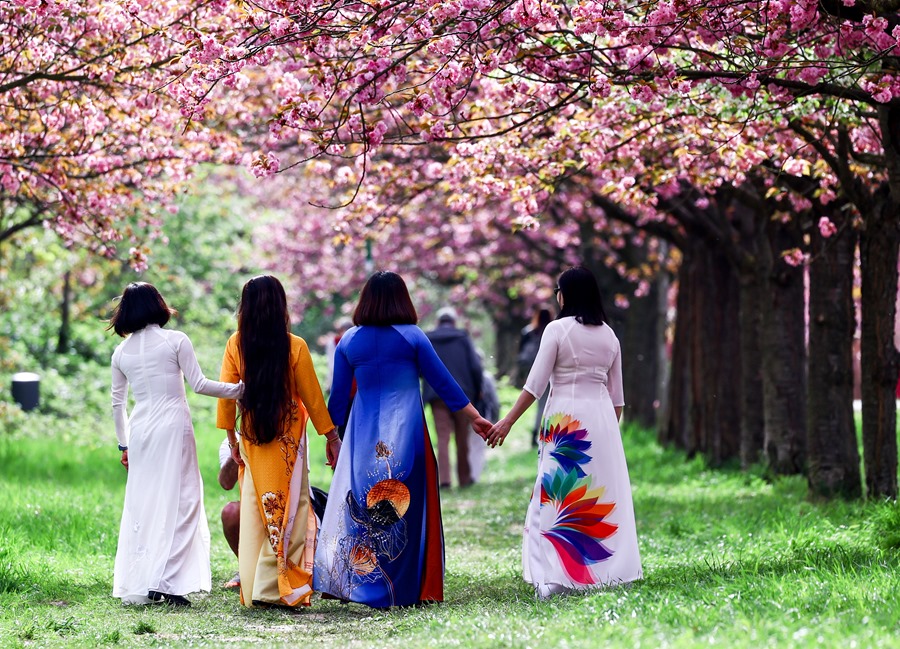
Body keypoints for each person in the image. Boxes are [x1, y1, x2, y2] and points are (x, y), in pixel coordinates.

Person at [314, 271, 492, 608]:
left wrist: (332, 437)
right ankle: (407, 588)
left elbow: (337, 399)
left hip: (362, 442)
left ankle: (363, 584)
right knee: (407, 509)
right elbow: (444, 383)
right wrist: (475, 418)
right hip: (408, 438)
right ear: (402, 299)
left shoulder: (349, 340)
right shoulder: (413, 337)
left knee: (365, 509)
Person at [486, 266, 642, 598]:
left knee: (556, 494)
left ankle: (556, 577)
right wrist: (606, 435)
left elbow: (534, 385)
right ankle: (601, 571)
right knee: (599, 493)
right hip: (601, 422)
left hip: (566, 424)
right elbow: (618, 399)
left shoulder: (557, 330)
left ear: (564, 294)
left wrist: (509, 420)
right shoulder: (610, 336)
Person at [109, 282, 243, 607]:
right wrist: (240, 390)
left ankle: (146, 578)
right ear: (158, 305)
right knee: (184, 501)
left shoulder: (121, 352)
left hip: (140, 430)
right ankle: (166, 581)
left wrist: (123, 445)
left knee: (146, 503)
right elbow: (199, 384)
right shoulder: (175, 340)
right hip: (172, 426)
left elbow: (117, 403)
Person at [216, 275, 340, 608]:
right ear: (280, 306)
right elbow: (313, 399)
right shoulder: (295, 345)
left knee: (258, 508)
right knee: (292, 510)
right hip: (289, 439)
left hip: (253, 437)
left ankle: (258, 587)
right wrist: (332, 437)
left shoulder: (236, 344)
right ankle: (285, 585)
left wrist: (232, 441)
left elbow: (227, 398)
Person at [421, 306, 484, 488]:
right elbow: (475, 366)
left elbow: (420, 366)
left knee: (442, 437)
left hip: (436, 395)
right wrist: (478, 389)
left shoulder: (429, 338)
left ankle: (445, 480)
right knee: (461, 437)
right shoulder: (463, 338)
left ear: (438, 322)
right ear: (454, 322)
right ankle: (464, 479)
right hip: (463, 395)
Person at [518, 305, 553, 447]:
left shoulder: (528, 332)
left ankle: (535, 434)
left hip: (533, 372)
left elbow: (520, 356)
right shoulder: (553, 331)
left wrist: (524, 375)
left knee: (540, 405)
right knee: (550, 404)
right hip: (551, 373)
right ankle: (548, 434)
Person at [470, 353, 500, 484]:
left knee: (468, 447)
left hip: (469, 417)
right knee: (477, 448)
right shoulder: (486, 377)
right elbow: (494, 400)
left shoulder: (464, 377)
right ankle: (473, 476)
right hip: (480, 415)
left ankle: (469, 476)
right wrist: (495, 418)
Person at [218, 437, 241, 590]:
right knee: (230, 512)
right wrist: (239, 448)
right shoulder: (230, 441)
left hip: (288, 505)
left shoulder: (290, 427)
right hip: (254, 507)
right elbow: (226, 483)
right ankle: (248, 569)